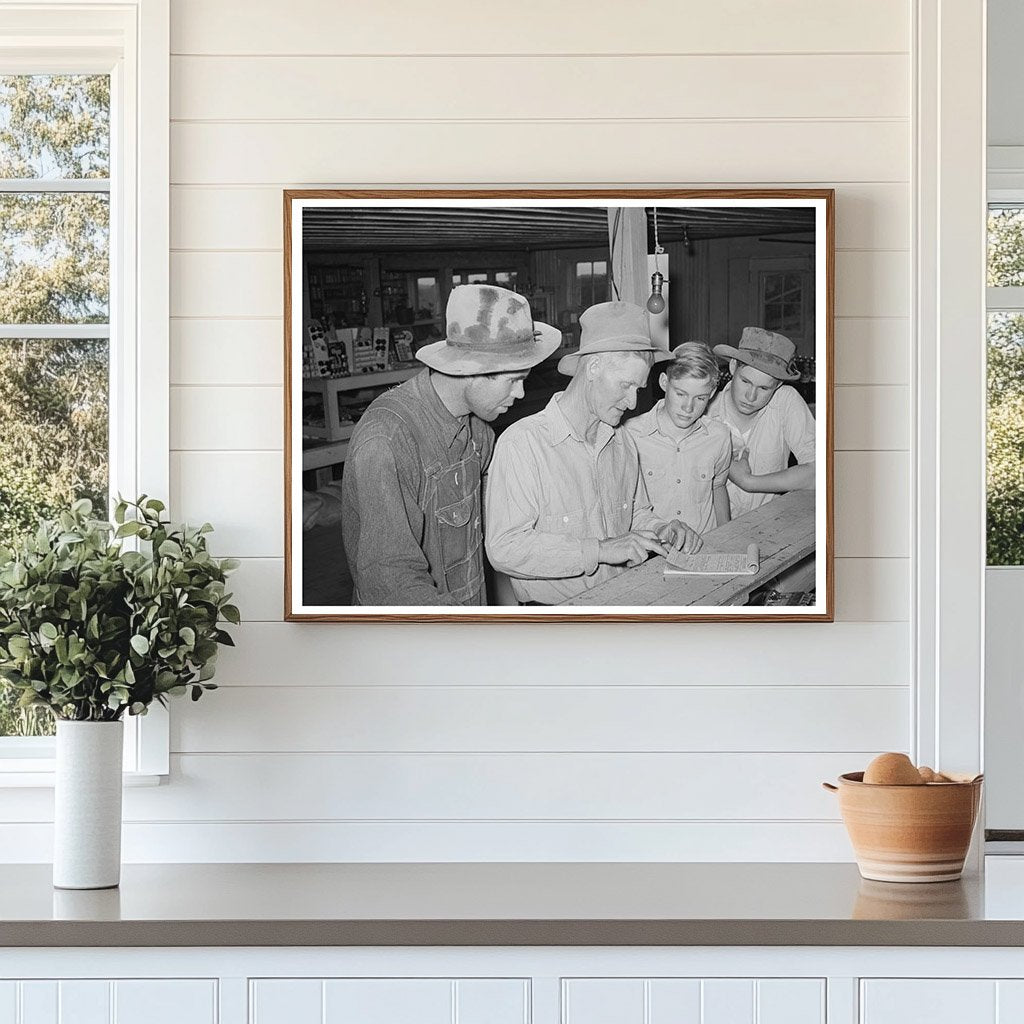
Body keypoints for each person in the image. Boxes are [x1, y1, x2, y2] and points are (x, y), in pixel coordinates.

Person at [340, 283, 560, 605]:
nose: (521, 394)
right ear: (471, 370)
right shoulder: (387, 441)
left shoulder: (478, 430)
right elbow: (392, 586)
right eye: (514, 380)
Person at [484, 301, 702, 606]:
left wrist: (661, 529)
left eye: (638, 389)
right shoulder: (523, 444)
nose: (632, 402)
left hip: (620, 601)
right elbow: (505, 549)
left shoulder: (622, 441)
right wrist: (599, 550)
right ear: (594, 367)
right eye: (625, 385)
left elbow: (635, 514)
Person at [707, 326, 816, 519]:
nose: (751, 396)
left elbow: (818, 472)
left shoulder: (786, 401)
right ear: (733, 366)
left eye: (764, 388)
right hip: (714, 528)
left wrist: (748, 482)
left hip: (770, 524)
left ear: (778, 384)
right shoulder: (705, 410)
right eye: (745, 381)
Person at [625, 342, 732, 533]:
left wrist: (725, 534)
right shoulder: (630, 435)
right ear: (664, 383)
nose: (688, 407)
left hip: (704, 542)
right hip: (653, 545)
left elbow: (718, 485)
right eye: (681, 394)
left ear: (712, 394)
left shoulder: (719, 436)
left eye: (700, 398)